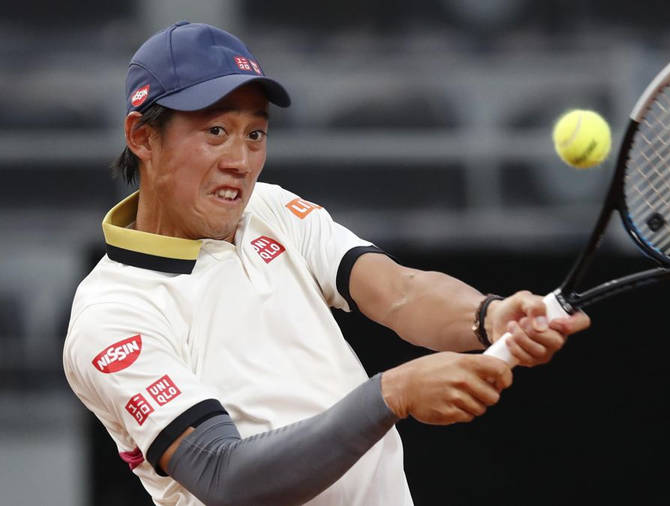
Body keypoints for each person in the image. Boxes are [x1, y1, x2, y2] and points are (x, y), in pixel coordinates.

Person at [62, 21, 590, 506]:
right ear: (142, 137)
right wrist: (390, 394)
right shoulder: (111, 315)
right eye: (215, 132)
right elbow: (228, 477)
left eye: (255, 134)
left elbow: (399, 290)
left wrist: (489, 316)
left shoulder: (271, 209)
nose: (240, 161)